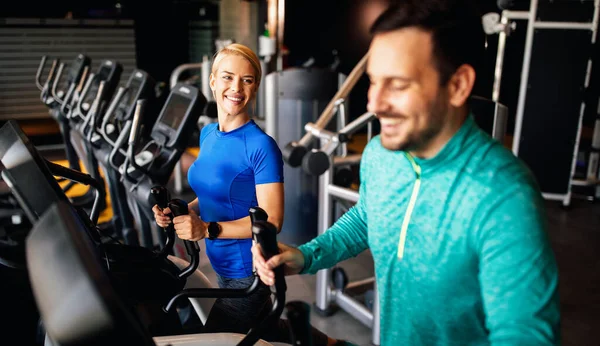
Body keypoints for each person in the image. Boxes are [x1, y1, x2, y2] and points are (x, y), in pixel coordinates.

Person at [252, 1, 561, 345]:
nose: (374, 104)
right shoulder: (381, 154)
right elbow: (368, 216)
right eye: (373, 82)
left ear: (458, 85)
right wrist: (308, 255)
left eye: (397, 85)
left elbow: (524, 337)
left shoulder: (502, 196)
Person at [152, 43, 341, 345]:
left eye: (247, 80)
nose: (236, 87)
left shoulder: (260, 146)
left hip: (249, 269)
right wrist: (186, 211)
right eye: (227, 77)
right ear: (213, 81)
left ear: (255, 88)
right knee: (265, 326)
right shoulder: (208, 134)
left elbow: (273, 220)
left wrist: (207, 229)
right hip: (221, 264)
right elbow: (215, 193)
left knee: (214, 338)